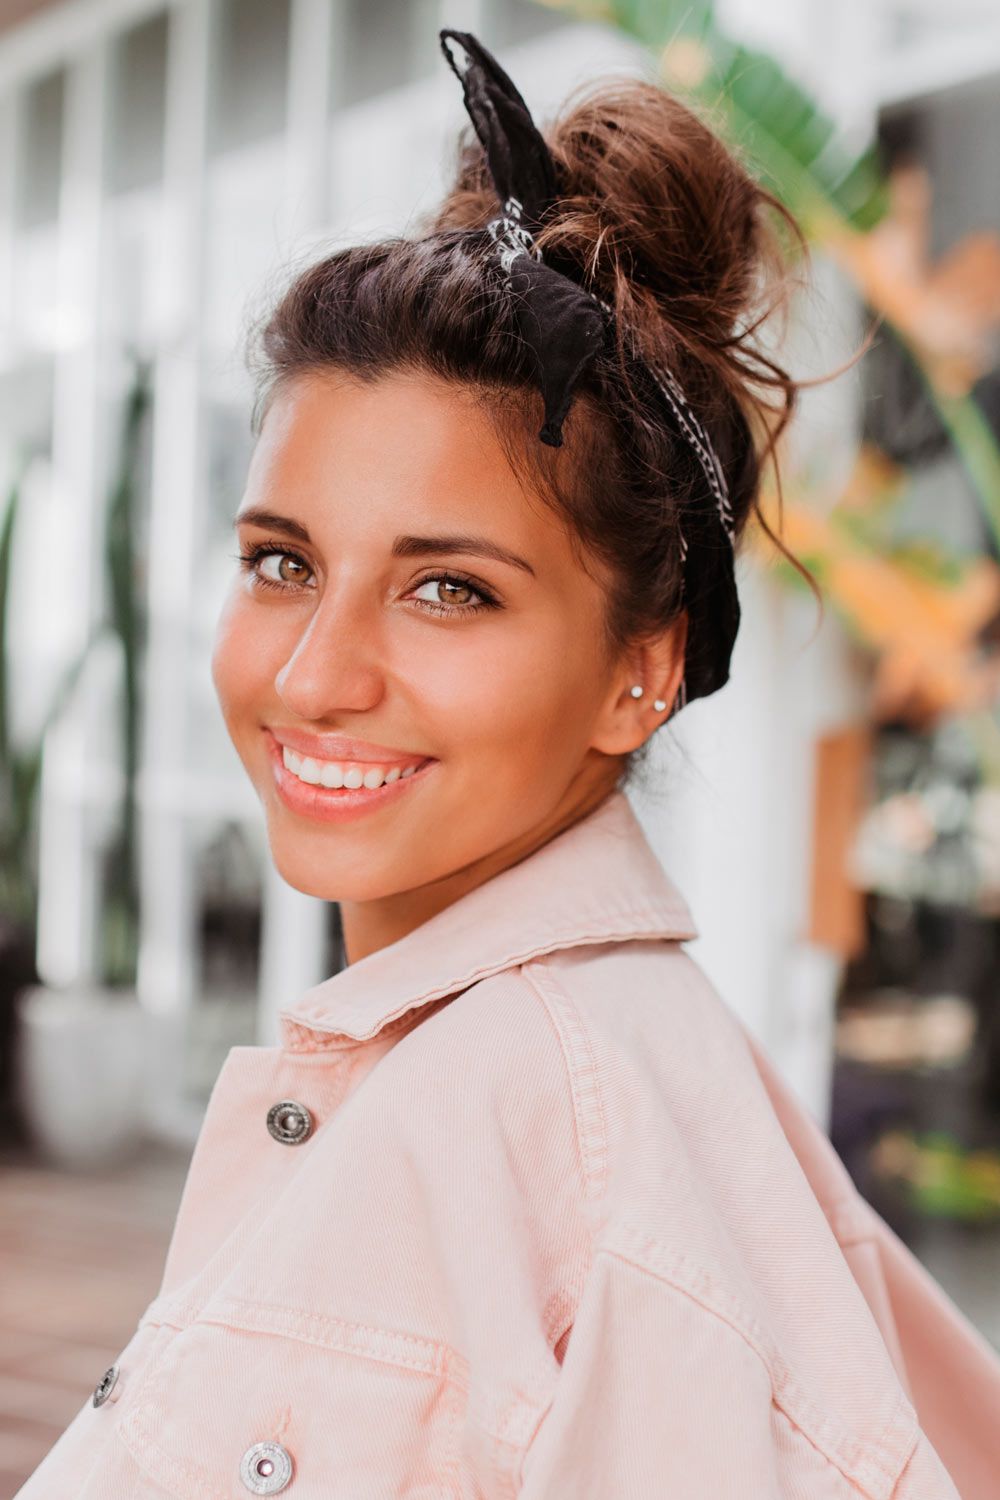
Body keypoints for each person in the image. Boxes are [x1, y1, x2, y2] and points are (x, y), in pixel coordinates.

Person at [16, 28, 1000, 1500]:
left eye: (449, 588)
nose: (312, 675)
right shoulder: (533, 1072)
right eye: (282, 562)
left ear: (643, 666)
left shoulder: (546, 1137)